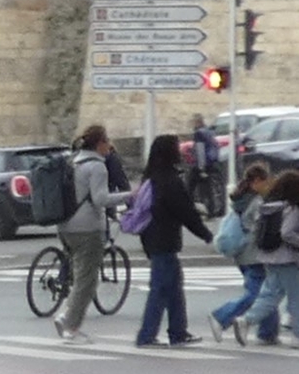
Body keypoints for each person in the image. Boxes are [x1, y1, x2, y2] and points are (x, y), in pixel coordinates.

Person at [132, 134, 211, 348]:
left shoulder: (150, 178)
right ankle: (147, 335)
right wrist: (205, 233)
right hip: (165, 241)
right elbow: (186, 212)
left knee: (174, 287)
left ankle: (178, 331)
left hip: (152, 239)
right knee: (160, 289)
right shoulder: (170, 180)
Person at [51, 125, 117, 342]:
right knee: (87, 280)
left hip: (66, 226)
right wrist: (129, 196)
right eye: (107, 141)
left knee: (80, 276)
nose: (109, 145)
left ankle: (67, 317)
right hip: (88, 228)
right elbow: (100, 199)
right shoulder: (97, 167)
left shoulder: (74, 161)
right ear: (99, 144)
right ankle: (71, 325)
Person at [209, 161, 278, 344]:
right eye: (265, 180)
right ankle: (221, 316)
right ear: (257, 181)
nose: (267, 184)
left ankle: (268, 333)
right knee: (258, 295)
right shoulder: (256, 201)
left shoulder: (241, 198)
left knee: (267, 292)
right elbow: (261, 227)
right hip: (253, 255)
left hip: (242, 254)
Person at [236, 171, 299, 346]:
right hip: (288, 258)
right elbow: (287, 232)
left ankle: (246, 321)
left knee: (269, 295)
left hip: (269, 257)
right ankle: (298, 336)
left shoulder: (270, 206)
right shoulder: (292, 207)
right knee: (296, 297)